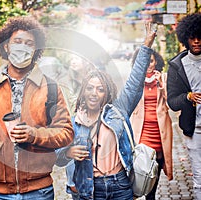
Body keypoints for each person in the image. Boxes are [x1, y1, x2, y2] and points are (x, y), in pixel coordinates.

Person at [0, 16, 74, 200]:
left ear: (35, 50)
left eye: (29, 43)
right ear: (6, 46)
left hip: (39, 191)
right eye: (17, 41)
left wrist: (34, 135)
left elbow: (66, 133)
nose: (22, 47)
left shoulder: (50, 89)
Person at [56, 22, 157, 199]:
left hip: (120, 185)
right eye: (90, 88)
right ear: (83, 92)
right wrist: (67, 152)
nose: (94, 93)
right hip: (90, 188)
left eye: (100, 89)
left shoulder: (118, 112)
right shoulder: (73, 122)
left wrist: (146, 46)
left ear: (107, 93)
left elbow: (134, 82)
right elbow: (57, 158)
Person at [130, 49, 173, 199]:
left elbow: (171, 103)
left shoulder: (164, 78)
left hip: (160, 134)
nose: (149, 65)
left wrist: (161, 84)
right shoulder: (135, 80)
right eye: (145, 61)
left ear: (157, 62)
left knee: (154, 174)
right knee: (140, 172)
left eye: (152, 61)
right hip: (142, 133)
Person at [167, 13, 201, 199]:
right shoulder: (177, 66)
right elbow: (172, 102)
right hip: (194, 130)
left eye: (200, 37)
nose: (196, 41)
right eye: (192, 37)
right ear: (185, 38)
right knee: (199, 179)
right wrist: (188, 97)